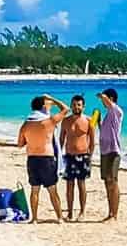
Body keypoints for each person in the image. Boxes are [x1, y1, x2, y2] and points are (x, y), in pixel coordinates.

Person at [18, 96, 62, 224]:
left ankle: (35, 218)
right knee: (52, 190)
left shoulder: (26, 123)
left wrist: (32, 139)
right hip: (47, 158)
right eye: (48, 104)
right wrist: (53, 99)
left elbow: (20, 144)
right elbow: (65, 109)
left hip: (32, 158)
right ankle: (59, 217)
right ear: (43, 106)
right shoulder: (49, 121)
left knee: (34, 189)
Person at [59, 95, 96, 221]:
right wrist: (59, 156)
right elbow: (61, 139)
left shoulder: (89, 121)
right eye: (74, 104)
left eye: (79, 105)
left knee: (81, 184)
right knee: (69, 185)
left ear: (83, 106)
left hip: (83, 156)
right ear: (71, 106)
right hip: (69, 155)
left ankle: (82, 212)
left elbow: (92, 141)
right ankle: (69, 213)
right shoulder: (65, 121)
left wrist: (90, 156)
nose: (76, 107)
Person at [96, 87, 125, 222]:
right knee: (107, 182)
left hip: (113, 151)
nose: (103, 102)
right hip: (104, 151)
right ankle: (110, 212)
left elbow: (107, 101)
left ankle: (115, 214)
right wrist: (98, 123)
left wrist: (101, 95)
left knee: (113, 181)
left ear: (111, 99)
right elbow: (106, 131)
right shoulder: (109, 114)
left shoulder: (116, 111)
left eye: (105, 99)